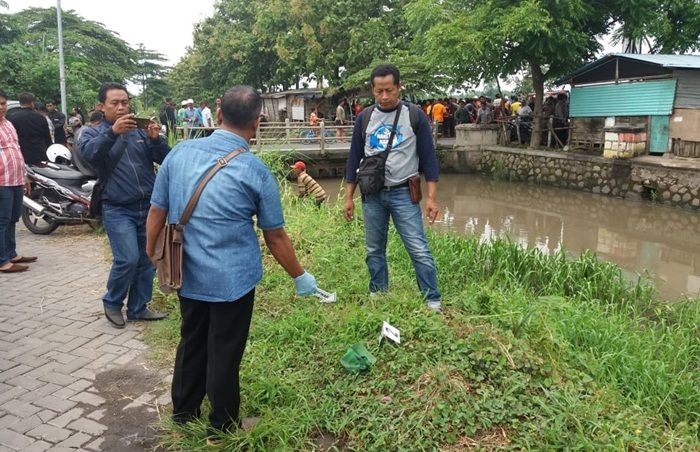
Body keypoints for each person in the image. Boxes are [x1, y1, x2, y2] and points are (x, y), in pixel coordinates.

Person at [145, 85, 317, 440]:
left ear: (219, 113)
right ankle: (220, 426)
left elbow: (157, 211)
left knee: (192, 338)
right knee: (224, 348)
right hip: (232, 281)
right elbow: (275, 237)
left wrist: (152, 252)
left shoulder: (178, 154)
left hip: (186, 270)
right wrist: (300, 276)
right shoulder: (255, 171)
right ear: (257, 123)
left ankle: (183, 414)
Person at [343, 64, 442, 313]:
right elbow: (354, 160)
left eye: (389, 90)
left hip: (404, 192)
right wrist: (348, 198)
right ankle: (379, 293)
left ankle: (432, 301)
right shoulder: (364, 118)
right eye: (379, 92)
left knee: (418, 248)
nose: (384, 97)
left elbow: (429, 158)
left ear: (399, 87)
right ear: (373, 91)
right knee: (374, 248)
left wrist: (431, 198)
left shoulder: (415, 115)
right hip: (372, 194)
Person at [79, 82, 171, 329]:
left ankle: (138, 308)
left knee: (148, 258)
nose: (121, 108)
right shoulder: (92, 133)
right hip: (118, 208)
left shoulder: (139, 131)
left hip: (149, 208)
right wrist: (113, 133)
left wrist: (155, 140)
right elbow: (89, 155)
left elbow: (164, 159)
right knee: (127, 259)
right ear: (102, 106)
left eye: (125, 102)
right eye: (115, 103)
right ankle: (112, 301)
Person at [0, 90, 37, 274]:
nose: (2, 107)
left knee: (13, 218)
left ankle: (11, 253)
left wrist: (24, 176)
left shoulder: (8, 124)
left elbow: (17, 149)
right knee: (2, 220)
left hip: (15, 178)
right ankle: (2, 261)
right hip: (2, 181)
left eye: (4, 103)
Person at [6, 93, 52, 165]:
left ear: (20, 102)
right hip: (39, 155)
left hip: (21, 155)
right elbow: (47, 138)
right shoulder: (41, 117)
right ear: (32, 103)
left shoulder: (13, 118)